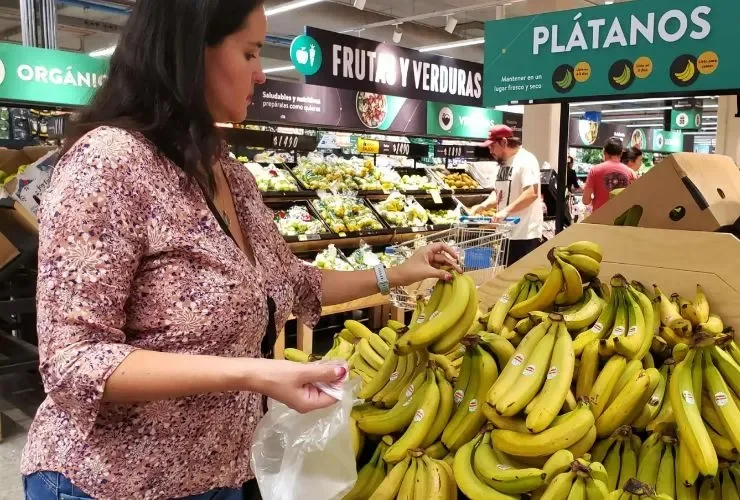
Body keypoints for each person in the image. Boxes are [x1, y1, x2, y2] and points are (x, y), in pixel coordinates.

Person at [20, 2, 460, 499]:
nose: (262, 75)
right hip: (108, 482)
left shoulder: (229, 175)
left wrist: (396, 274)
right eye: (251, 52)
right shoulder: (108, 165)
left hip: (220, 473)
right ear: (190, 54)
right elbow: (74, 360)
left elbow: (294, 283)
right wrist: (256, 373)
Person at [470, 125, 544, 266]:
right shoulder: (503, 164)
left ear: (504, 142)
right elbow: (498, 191)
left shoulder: (526, 160)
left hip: (523, 234)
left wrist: (505, 211)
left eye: (492, 145)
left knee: (516, 279)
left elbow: (532, 193)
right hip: (506, 233)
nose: (490, 150)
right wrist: (483, 205)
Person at [583, 137, 637, 212]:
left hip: (599, 218)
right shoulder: (631, 173)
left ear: (604, 151)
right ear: (621, 153)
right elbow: (635, 200)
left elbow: (585, 200)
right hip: (621, 218)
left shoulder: (594, 171)